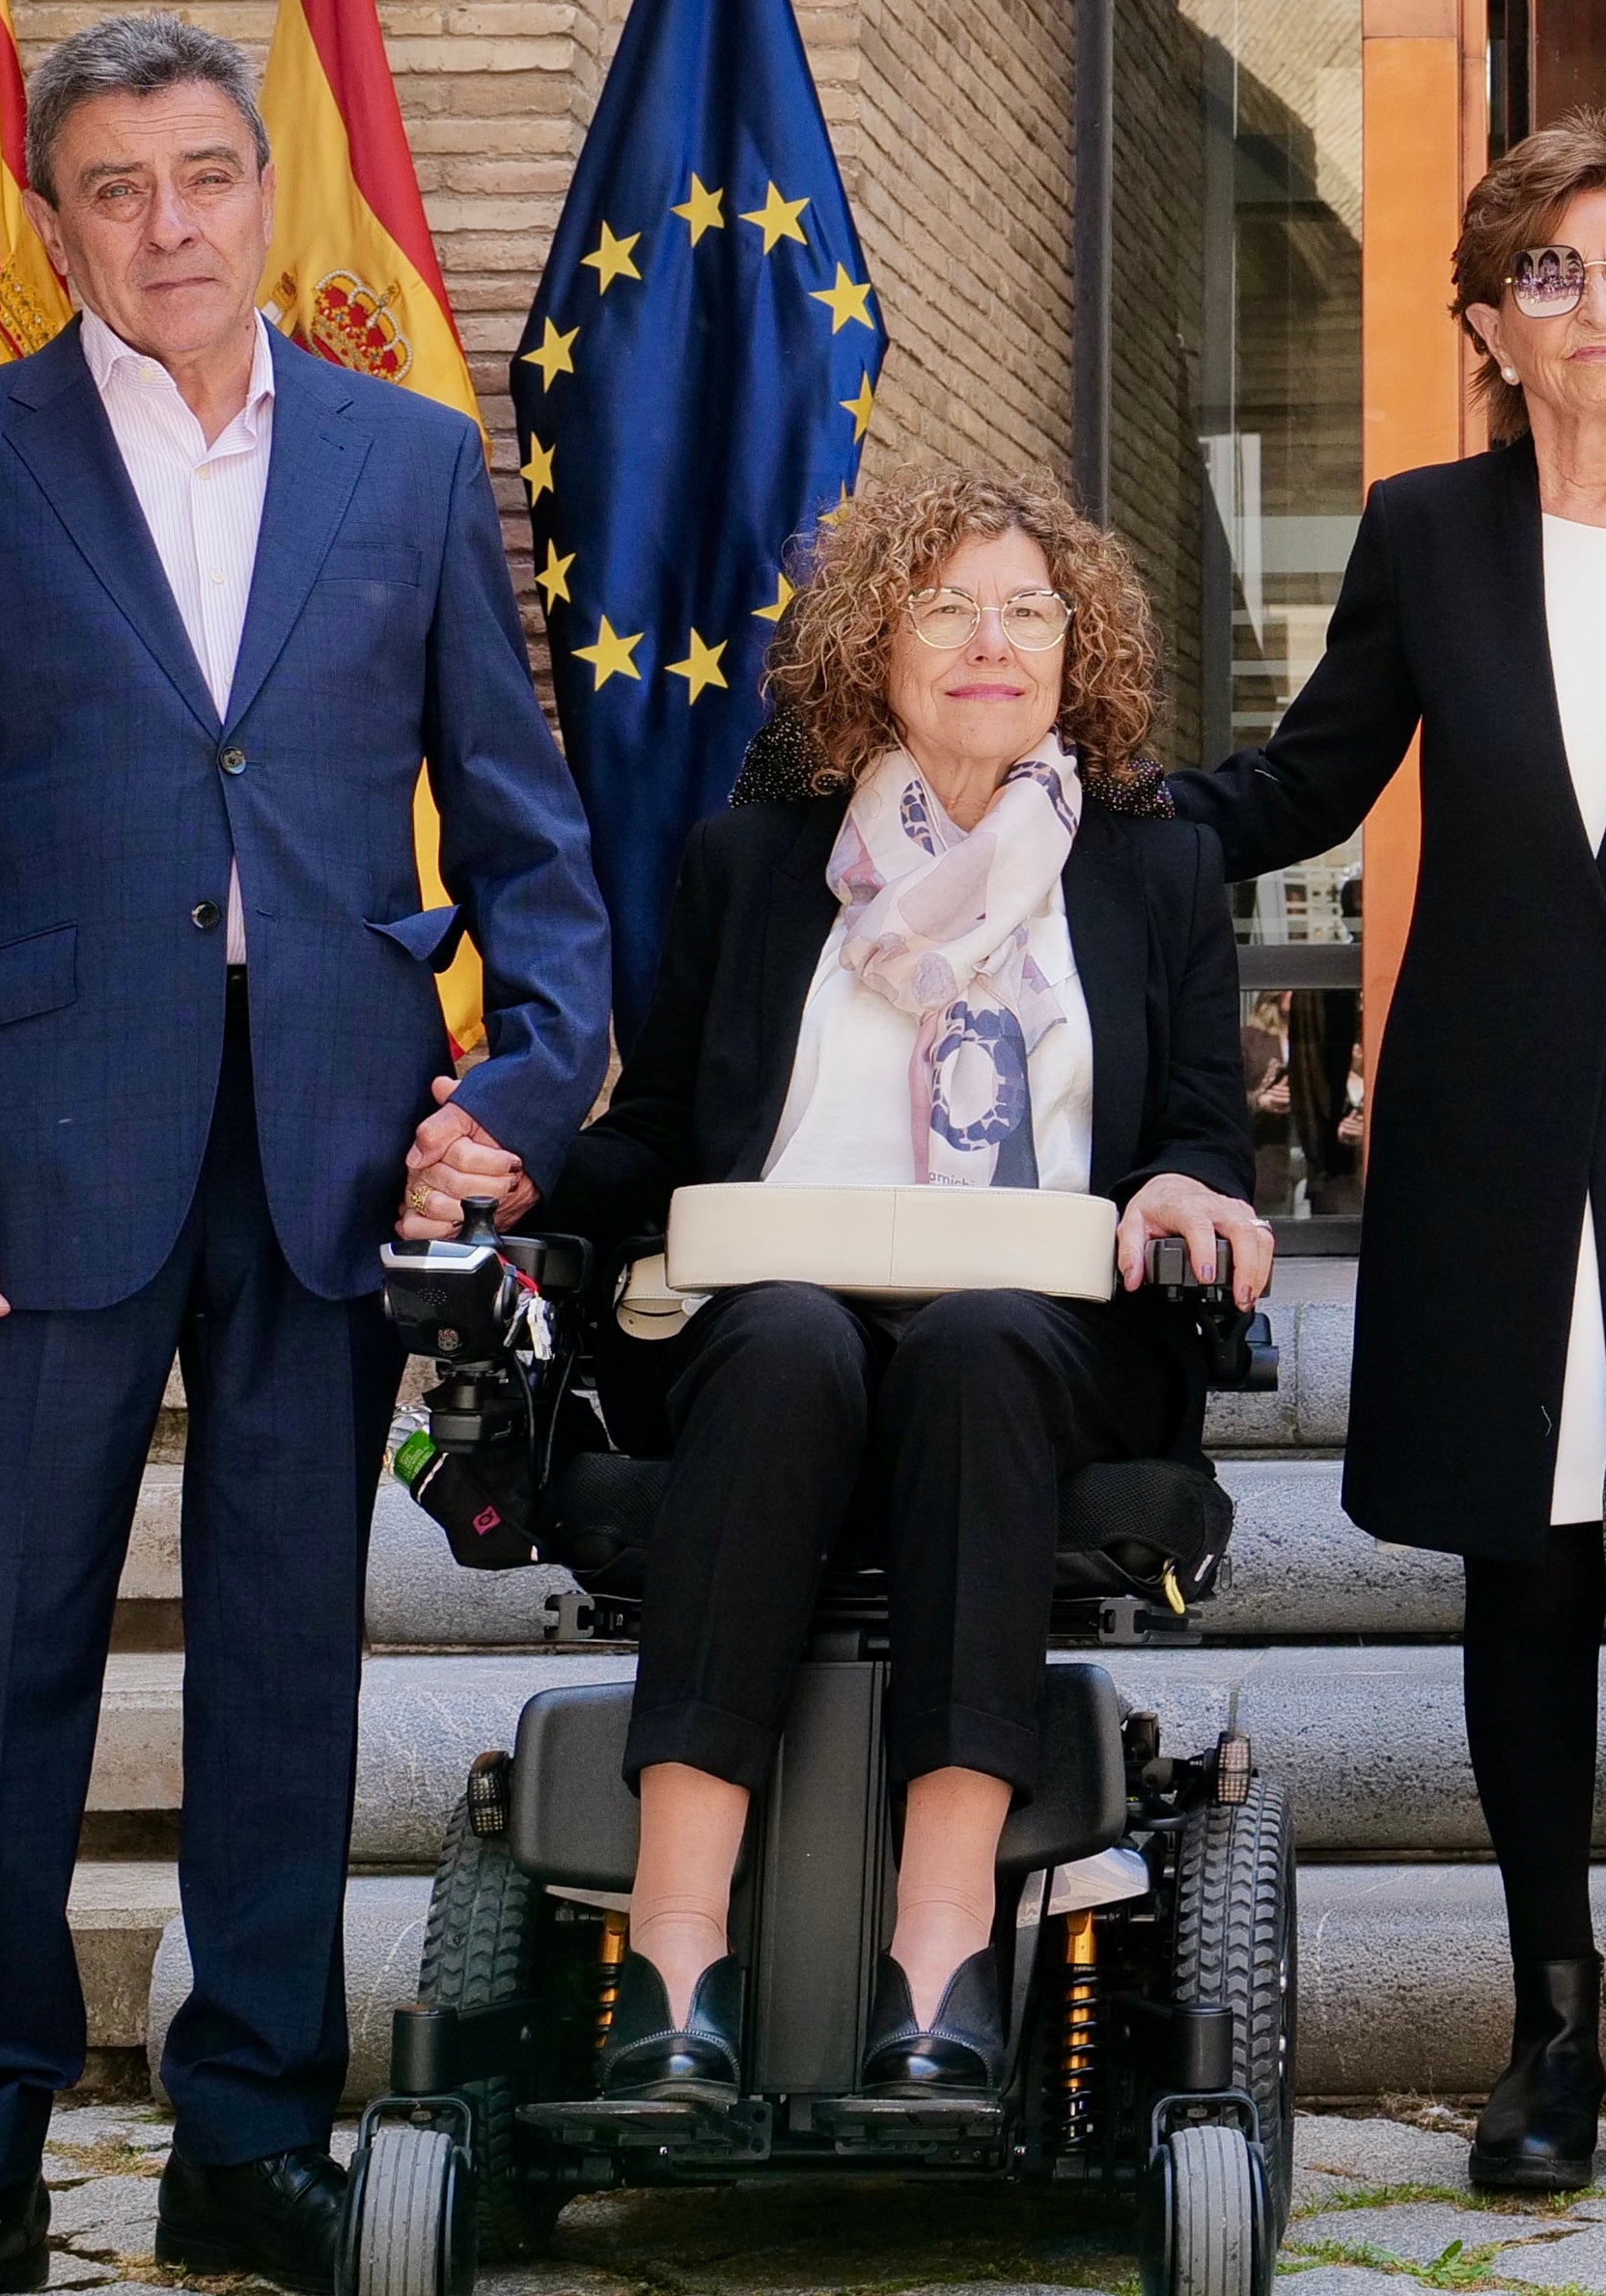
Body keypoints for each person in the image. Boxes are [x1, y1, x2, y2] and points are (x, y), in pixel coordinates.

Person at [0, 14, 609, 2296]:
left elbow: (530, 836)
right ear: (58, 220)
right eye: (120, 187)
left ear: (270, 190)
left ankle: (248, 2141)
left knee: (284, 1658)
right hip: (21, 1167)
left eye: (208, 176)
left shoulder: (410, 457)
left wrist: (526, 1096)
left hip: (330, 1150)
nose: (171, 223)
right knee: (0, 1661)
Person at [1170, 120, 1606, 2198]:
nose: (1599, 301)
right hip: (1498, 1141)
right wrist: (1077, 795)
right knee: (1532, 1580)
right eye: (1554, 270)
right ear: (1491, 323)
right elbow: (1307, 774)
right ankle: (1548, 2023)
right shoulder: (1428, 534)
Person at [527, 469, 1278, 2113]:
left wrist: (1185, 1187)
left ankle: (937, 1961)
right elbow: (657, 1129)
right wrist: (511, 1175)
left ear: (1079, 652)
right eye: (948, 605)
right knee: (791, 1336)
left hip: (1046, 1341)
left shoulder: (1150, 871)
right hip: (761, 1330)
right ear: (878, 644)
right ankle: (673, 1959)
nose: (991, 641)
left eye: (1028, 609)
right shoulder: (756, 860)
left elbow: (1204, 1138)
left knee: (983, 1343)